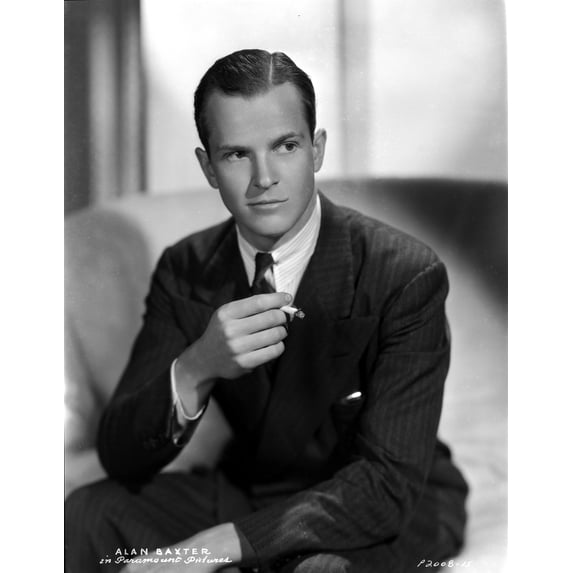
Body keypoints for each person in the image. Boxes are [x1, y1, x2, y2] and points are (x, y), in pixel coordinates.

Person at [65, 49, 469, 573]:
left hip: (379, 502)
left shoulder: (404, 272)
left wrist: (212, 547)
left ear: (316, 150)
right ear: (208, 167)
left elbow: (386, 485)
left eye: (285, 146)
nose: (264, 178)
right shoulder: (186, 267)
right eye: (237, 154)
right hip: (254, 490)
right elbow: (121, 457)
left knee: (317, 571)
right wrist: (198, 366)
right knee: (87, 516)